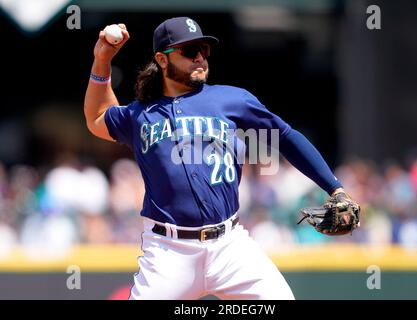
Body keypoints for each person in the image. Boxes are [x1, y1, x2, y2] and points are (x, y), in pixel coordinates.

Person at [84, 17, 351, 300]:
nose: (199, 58)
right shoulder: (140, 114)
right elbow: (98, 117)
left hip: (230, 246)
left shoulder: (231, 100)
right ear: (162, 60)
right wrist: (102, 59)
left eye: (203, 49)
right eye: (189, 51)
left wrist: (335, 188)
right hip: (169, 251)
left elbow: (285, 136)